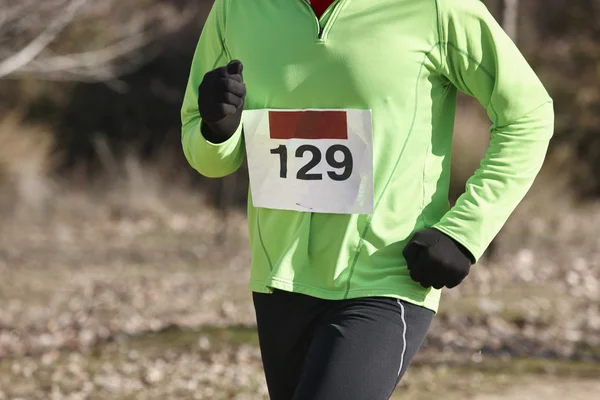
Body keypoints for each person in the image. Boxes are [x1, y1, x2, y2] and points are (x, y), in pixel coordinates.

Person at [181, 0, 554, 398]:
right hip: (279, 279)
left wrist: (466, 229)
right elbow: (205, 154)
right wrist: (216, 131)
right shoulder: (237, 10)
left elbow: (528, 115)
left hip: (383, 274)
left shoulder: (436, 7)